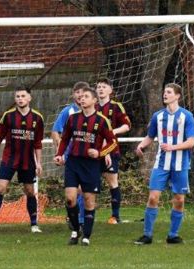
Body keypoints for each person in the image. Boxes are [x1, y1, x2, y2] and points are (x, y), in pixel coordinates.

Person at [133, 83, 194, 246]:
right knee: (153, 198)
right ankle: (147, 235)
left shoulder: (186, 116)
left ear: (177, 96)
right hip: (161, 164)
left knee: (179, 200)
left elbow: (190, 142)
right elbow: (150, 136)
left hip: (180, 165)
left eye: (169, 92)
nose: (165, 95)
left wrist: (173, 147)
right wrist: (141, 145)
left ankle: (173, 235)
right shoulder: (158, 117)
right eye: (164, 92)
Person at [54, 87, 118, 246]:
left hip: (91, 165)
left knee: (89, 201)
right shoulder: (73, 118)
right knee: (70, 199)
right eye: (81, 97)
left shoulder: (102, 120)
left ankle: (86, 236)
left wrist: (99, 153)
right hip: (73, 162)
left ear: (94, 100)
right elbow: (65, 138)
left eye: (86, 96)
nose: (82, 99)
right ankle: (75, 230)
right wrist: (59, 154)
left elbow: (113, 143)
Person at [0, 86, 45, 234]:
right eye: (17, 96)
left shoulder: (37, 118)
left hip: (28, 161)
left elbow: (37, 143)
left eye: (23, 96)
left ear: (29, 98)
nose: (20, 99)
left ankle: (34, 224)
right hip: (9, 159)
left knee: (30, 191)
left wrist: (39, 163)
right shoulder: (8, 116)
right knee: (0, 188)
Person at [51, 81, 88, 223]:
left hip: (88, 155)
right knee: (75, 190)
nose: (80, 95)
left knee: (84, 189)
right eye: (77, 92)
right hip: (71, 156)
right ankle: (76, 217)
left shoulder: (94, 112)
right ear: (73, 95)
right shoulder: (68, 111)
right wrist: (60, 152)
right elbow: (55, 131)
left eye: (82, 92)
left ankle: (80, 218)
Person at [95, 78, 131, 224]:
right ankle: (85, 214)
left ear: (110, 90)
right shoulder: (93, 107)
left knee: (112, 182)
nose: (101, 89)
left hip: (111, 149)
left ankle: (115, 216)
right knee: (88, 183)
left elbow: (127, 125)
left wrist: (110, 133)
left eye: (104, 87)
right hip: (94, 151)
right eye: (98, 87)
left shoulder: (116, 107)